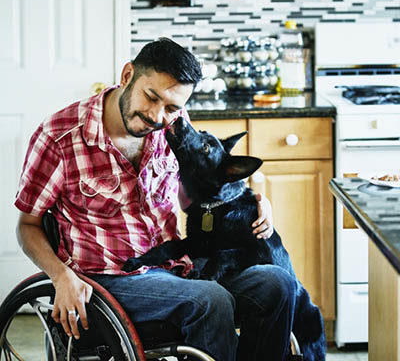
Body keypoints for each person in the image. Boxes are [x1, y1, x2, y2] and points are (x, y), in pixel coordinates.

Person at [15, 37, 296, 361]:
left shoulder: (173, 125)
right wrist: (60, 275)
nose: (158, 117)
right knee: (211, 299)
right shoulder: (59, 137)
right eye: (151, 97)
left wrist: (252, 203)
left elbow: (207, 181)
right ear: (126, 76)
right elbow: (27, 225)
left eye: (173, 108)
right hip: (109, 282)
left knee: (277, 284)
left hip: (178, 270)